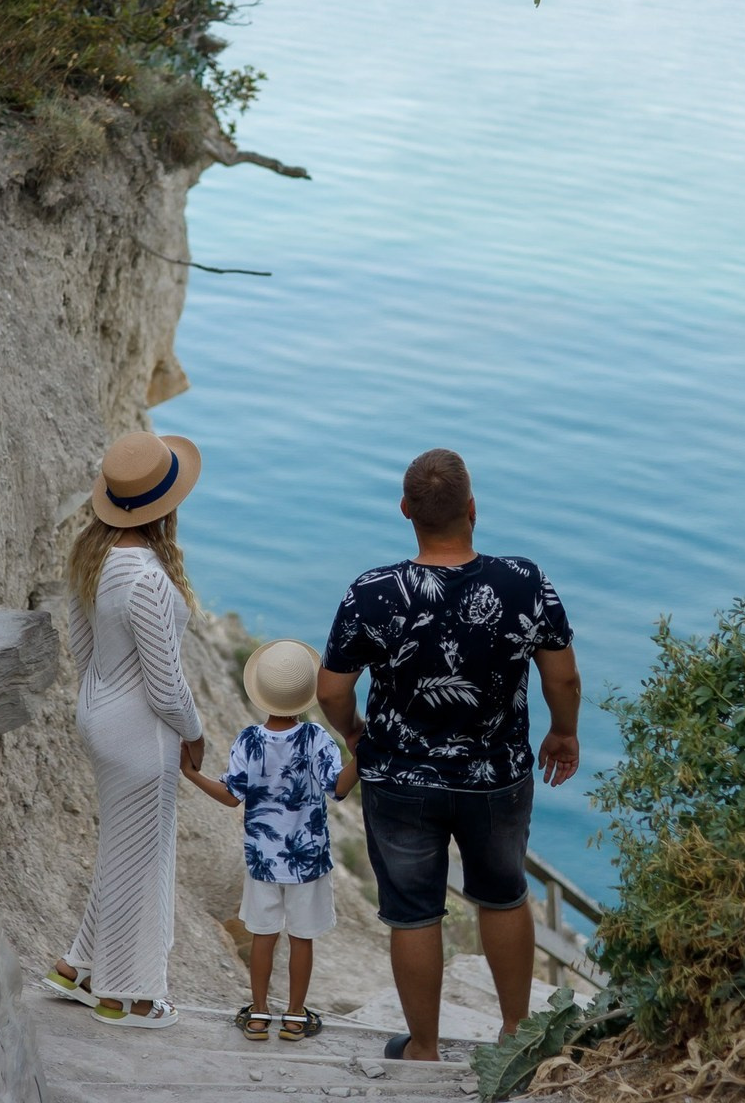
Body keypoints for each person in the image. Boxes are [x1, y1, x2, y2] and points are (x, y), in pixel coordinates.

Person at [316, 448, 581, 1062]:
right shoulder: (524, 581)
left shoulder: (372, 592)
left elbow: (331, 689)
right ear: (472, 509)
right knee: (504, 894)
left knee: (413, 913)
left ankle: (425, 1048)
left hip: (399, 778)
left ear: (406, 510)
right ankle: (518, 1034)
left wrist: (356, 731)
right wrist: (563, 733)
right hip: (495, 777)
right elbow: (561, 681)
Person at [42, 430, 207, 1029]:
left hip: (100, 716)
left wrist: (99, 702)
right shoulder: (149, 582)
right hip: (142, 734)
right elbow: (166, 686)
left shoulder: (94, 558)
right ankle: (124, 995)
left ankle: (78, 965)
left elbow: (83, 648)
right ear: (166, 504)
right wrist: (194, 732)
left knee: (121, 850)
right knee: (143, 862)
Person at [180, 638, 358, 1042]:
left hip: (262, 860)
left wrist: (191, 774)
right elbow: (339, 789)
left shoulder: (249, 740)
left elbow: (230, 795)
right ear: (306, 695)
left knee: (263, 937)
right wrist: (363, 757)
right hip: (308, 862)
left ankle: (259, 1014)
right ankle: (294, 1017)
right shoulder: (316, 739)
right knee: (302, 939)